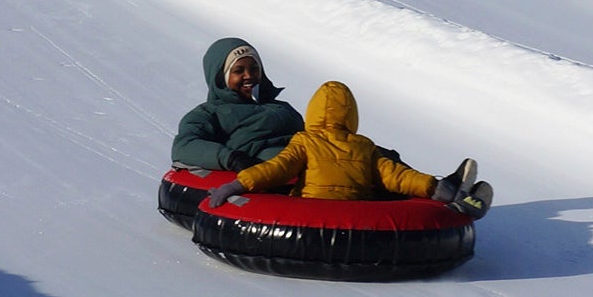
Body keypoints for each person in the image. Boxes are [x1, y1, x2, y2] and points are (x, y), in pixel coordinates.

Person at [206, 79, 489, 217]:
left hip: (308, 213)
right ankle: (452, 194)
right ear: (352, 115)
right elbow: (397, 176)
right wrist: (434, 188)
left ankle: (450, 195)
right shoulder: (364, 147)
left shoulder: (305, 141)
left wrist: (236, 185)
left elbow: (276, 169)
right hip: (356, 214)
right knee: (392, 185)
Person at [172, 38, 304, 171]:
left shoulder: (280, 106)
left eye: (254, 69)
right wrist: (231, 158)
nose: (248, 75)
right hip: (269, 174)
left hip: (307, 168)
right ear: (221, 77)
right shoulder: (209, 113)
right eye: (238, 71)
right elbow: (184, 146)